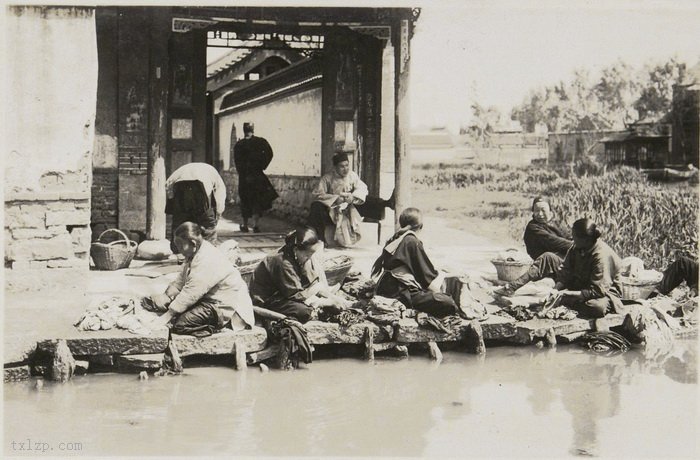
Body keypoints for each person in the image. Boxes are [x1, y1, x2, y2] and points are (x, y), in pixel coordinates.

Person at [149, 222, 255, 337]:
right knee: (167, 306)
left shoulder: (207, 259)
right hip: (208, 300)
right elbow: (180, 281)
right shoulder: (193, 254)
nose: (179, 250)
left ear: (193, 244)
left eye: (180, 245)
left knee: (180, 324)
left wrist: (168, 315)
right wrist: (166, 296)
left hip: (224, 307)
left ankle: (218, 327)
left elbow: (191, 293)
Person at [248, 227, 349, 323]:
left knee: (324, 303)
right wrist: (322, 302)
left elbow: (311, 284)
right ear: (296, 250)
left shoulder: (296, 256)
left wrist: (333, 298)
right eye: (307, 255)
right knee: (303, 311)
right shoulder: (282, 262)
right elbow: (294, 294)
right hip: (267, 300)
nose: (309, 258)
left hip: (284, 294)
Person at [371, 207, 458, 318]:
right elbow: (430, 283)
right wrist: (444, 274)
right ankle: (413, 311)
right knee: (447, 302)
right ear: (421, 226)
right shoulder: (411, 242)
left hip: (386, 289)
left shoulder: (397, 238)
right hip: (399, 294)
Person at [496, 197, 573, 295]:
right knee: (548, 257)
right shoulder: (533, 228)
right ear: (532, 211)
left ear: (550, 211)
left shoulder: (552, 224)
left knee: (550, 257)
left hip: (564, 265)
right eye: (537, 211)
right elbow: (554, 242)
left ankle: (511, 287)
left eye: (543, 210)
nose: (540, 214)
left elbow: (567, 237)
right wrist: (577, 245)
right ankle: (512, 287)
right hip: (551, 267)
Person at [553, 218, 623, 319]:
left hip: (604, 293)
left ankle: (570, 302)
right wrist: (555, 290)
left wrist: (567, 293)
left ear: (586, 240)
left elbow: (598, 291)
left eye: (575, 237)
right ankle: (571, 301)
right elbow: (565, 271)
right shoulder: (576, 247)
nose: (572, 239)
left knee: (596, 307)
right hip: (582, 287)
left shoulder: (601, 255)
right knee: (557, 297)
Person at [308, 152, 368, 247]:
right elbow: (317, 194)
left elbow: (362, 187)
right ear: (335, 167)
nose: (345, 169)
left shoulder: (352, 175)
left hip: (349, 206)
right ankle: (320, 238)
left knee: (369, 200)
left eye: (347, 165)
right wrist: (335, 198)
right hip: (333, 208)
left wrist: (353, 197)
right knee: (316, 206)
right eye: (342, 166)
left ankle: (386, 204)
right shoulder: (327, 178)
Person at [165, 162, 226, 253]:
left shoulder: (181, 170)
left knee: (180, 225)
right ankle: (206, 253)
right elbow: (220, 194)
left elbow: (168, 186)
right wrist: (218, 213)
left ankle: (180, 253)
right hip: (200, 189)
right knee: (207, 226)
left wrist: (175, 207)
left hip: (181, 187)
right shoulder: (212, 171)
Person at [233, 122, 278, 233]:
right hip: (257, 176)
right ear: (253, 130)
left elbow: (236, 161)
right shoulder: (260, 142)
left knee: (245, 200)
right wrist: (262, 165)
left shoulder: (239, 145)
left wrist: (242, 172)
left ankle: (245, 225)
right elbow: (270, 153)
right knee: (256, 200)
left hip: (244, 177)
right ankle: (256, 225)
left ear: (243, 130)